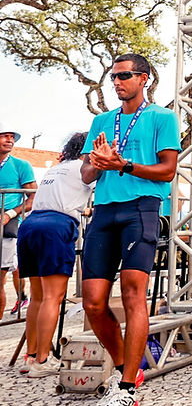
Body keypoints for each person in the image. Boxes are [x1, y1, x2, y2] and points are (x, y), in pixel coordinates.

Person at [81, 53, 180, 406]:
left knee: (133, 293)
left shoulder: (162, 117)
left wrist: (123, 164)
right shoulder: (102, 121)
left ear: (144, 78)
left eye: (124, 76)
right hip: (104, 211)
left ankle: (126, 390)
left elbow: (168, 171)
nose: (117, 82)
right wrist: (98, 163)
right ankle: (126, 367)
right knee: (93, 302)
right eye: (114, 77)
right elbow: (86, 174)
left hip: (141, 208)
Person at [18, 132, 93, 378]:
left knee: (38, 297)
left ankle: (31, 357)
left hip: (30, 225)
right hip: (56, 226)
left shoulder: (55, 169)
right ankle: (42, 360)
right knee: (53, 297)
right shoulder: (84, 168)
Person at [0, 124, 36, 321]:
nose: (10, 140)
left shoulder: (21, 165)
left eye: (12, 137)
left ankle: (22, 297)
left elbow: (33, 197)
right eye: (4, 136)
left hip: (9, 227)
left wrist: (10, 213)